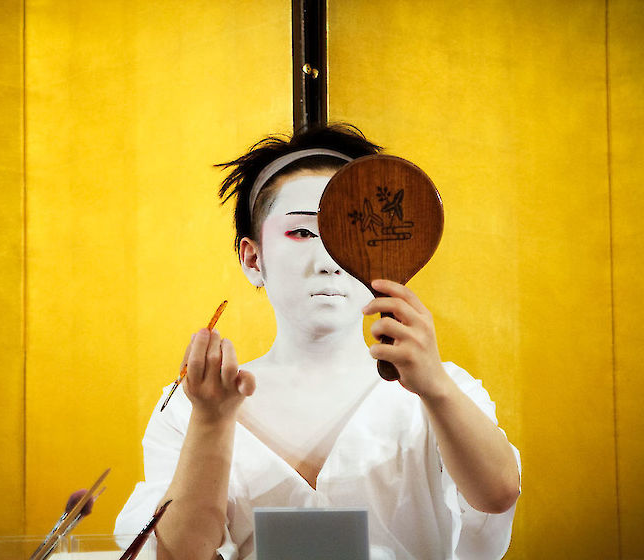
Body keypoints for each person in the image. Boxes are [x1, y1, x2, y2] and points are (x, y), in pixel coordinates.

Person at [115, 124, 521, 560]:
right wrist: (211, 422)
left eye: (351, 234)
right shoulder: (190, 405)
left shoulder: (441, 389)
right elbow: (179, 554)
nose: (328, 260)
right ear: (253, 258)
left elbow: (498, 495)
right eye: (302, 233)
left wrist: (436, 388)